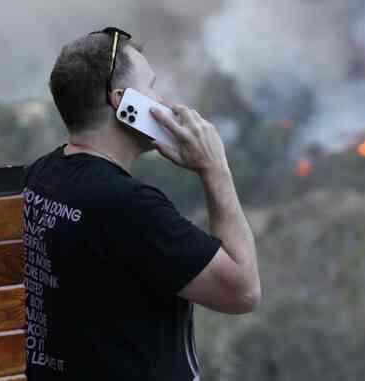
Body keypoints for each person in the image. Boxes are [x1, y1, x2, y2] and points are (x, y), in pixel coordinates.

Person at [21, 26, 261, 380]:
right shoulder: (127, 206)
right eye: (150, 87)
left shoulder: (36, 176)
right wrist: (215, 169)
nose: (160, 101)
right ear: (123, 101)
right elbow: (243, 291)